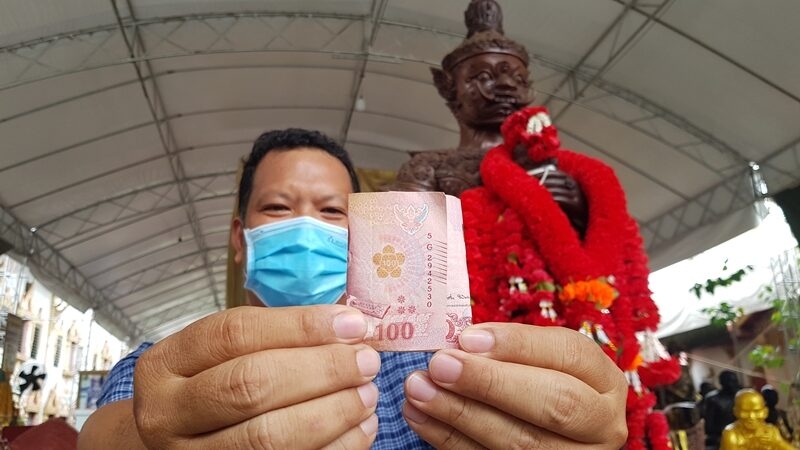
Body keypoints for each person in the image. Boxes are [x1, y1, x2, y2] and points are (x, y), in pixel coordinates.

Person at [76, 128, 628, 449]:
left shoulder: (428, 369)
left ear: (365, 235)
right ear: (240, 238)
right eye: (278, 207)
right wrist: (149, 435)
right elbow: (104, 434)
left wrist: (569, 417)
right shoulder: (163, 368)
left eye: (332, 212)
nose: (306, 227)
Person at [720, 389, 794, 450]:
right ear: (736, 412)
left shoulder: (771, 431)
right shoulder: (732, 434)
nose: (752, 417)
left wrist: (777, 443)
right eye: (746, 411)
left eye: (757, 411)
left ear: (765, 412)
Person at [704, 370, 742, 449]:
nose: (735, 384)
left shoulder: (741, 396)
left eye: (735, 381)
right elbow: (709, 425)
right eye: (731, 381)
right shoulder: (714, 399)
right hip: (723, 437)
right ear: (722, 383)